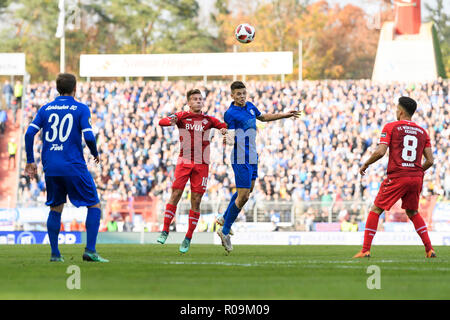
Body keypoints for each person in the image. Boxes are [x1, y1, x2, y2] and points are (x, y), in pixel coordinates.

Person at [24, 73, 108, 262]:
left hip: (51, 167)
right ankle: (90, 251)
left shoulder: (45, 109)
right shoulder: (80, 108)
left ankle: (55, 254)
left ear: (57, 88)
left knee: (55, 208)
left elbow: (29, 134)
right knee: (94, 204)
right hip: (73, 165)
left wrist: (30, 161)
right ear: (75, 88)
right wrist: (95, 153)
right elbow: (88, 137)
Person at [216, 81, 301, 253]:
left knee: (247, 191)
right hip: (241, 158)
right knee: (244, 196)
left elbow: (263, 117)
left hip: (253, 156)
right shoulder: (230, 114)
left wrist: (285, 115)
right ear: (232, 95)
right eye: (238, 94)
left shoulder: (250, 106)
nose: (241, 96)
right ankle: (224, 231)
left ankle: (224, 218)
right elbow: (231, 138)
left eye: (243, 93)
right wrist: (227, 137)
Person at [354, 96, 436, 258]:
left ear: (400, 111)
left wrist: (365, 164)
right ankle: (429, 249)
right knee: (413, 212)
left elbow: (380, 152)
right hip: (416, 177)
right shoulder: (422, 132)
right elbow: (430, 161)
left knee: (376, 209)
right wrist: (417, 171)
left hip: (398, 175)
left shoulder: (391, 127)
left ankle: (365, 250)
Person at [156, 88, 228, 253]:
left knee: (196, 200)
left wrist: (224, 129)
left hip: (202, 165)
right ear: (189, 102)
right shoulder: (182, 116)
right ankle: (165, 230)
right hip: (184, 162)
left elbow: (225, 126)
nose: (198, 101)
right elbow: (162, 122)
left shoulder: (208, 120)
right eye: (195, 99)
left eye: (200, 99)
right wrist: (173, 119)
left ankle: (188, 237)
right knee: (175, 195)